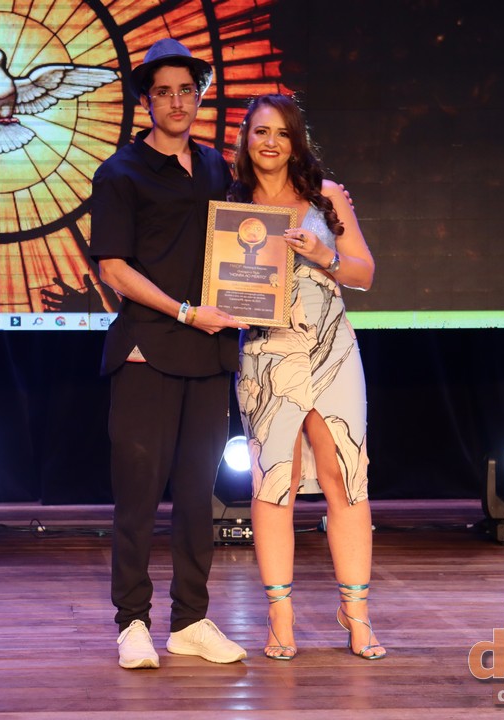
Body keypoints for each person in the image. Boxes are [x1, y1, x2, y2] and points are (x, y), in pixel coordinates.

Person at [89, 38, 250, 670]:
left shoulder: (215, 169)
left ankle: (191, 621)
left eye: (187, 90)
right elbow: (113, 268)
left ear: (199, 96)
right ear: (146, 101)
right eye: (164, 92)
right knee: (137, 499)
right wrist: (184, 312)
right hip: (147, 351)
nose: (177, 102)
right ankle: (132, 622)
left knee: (197, 498)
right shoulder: (120, 173)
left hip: (209, 354)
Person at [230, 94, 385, 661]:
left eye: (282, 133)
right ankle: (280, 617)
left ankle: (356, 612)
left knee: (345, 474)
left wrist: (324, 254)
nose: (270, 142)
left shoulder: (327, 196)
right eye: (260, 132)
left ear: (296, 141)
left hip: (332, 350)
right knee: (276, 481)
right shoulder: (230, 203)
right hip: (267, 352)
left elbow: (364, 273)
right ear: (245, 140)